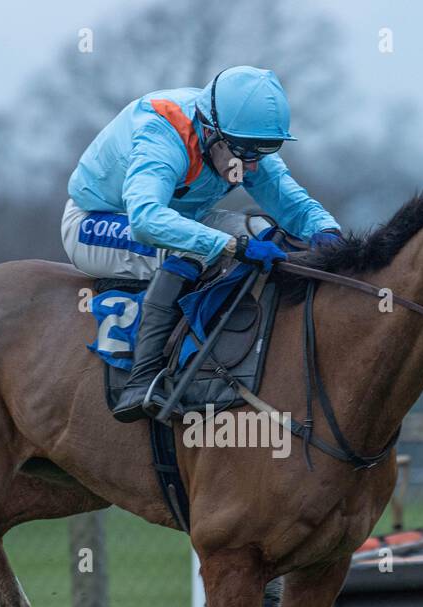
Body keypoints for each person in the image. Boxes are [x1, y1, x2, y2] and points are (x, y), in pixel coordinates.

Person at [63, 66, 344, 422]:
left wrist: (329, 234)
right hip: (99, 222)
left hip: (174, 219)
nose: (252, 165)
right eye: (244, 152)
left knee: (261, 229)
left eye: (265, 151)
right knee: (198, 247)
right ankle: (142, 380)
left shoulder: (240, 135)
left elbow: (294, 205)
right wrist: (230, 246)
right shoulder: (162, 134)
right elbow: (147, 218)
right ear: (211, 132)